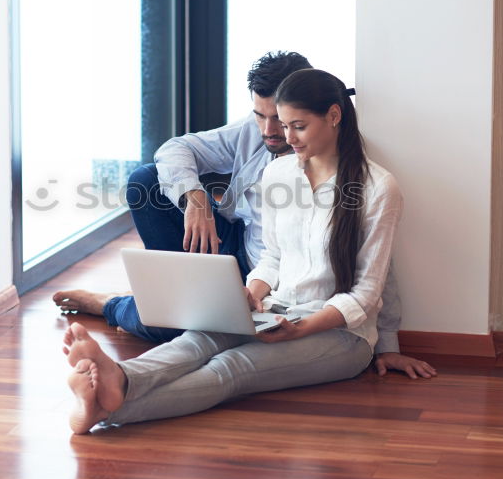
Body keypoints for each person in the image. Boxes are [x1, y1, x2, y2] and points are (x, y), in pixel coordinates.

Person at [55, 51, 435, 379]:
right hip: (240, 253)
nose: (272, 131)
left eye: (286, 121)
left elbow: (372, 265)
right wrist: (195, 199)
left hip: (274, 285)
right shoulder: (255, 133)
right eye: (262, 116)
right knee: (145, 181)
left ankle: (113, 306)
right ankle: (170, 294)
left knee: (182, 329)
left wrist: (386, 343)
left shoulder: (353, 171)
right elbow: (175, 150)